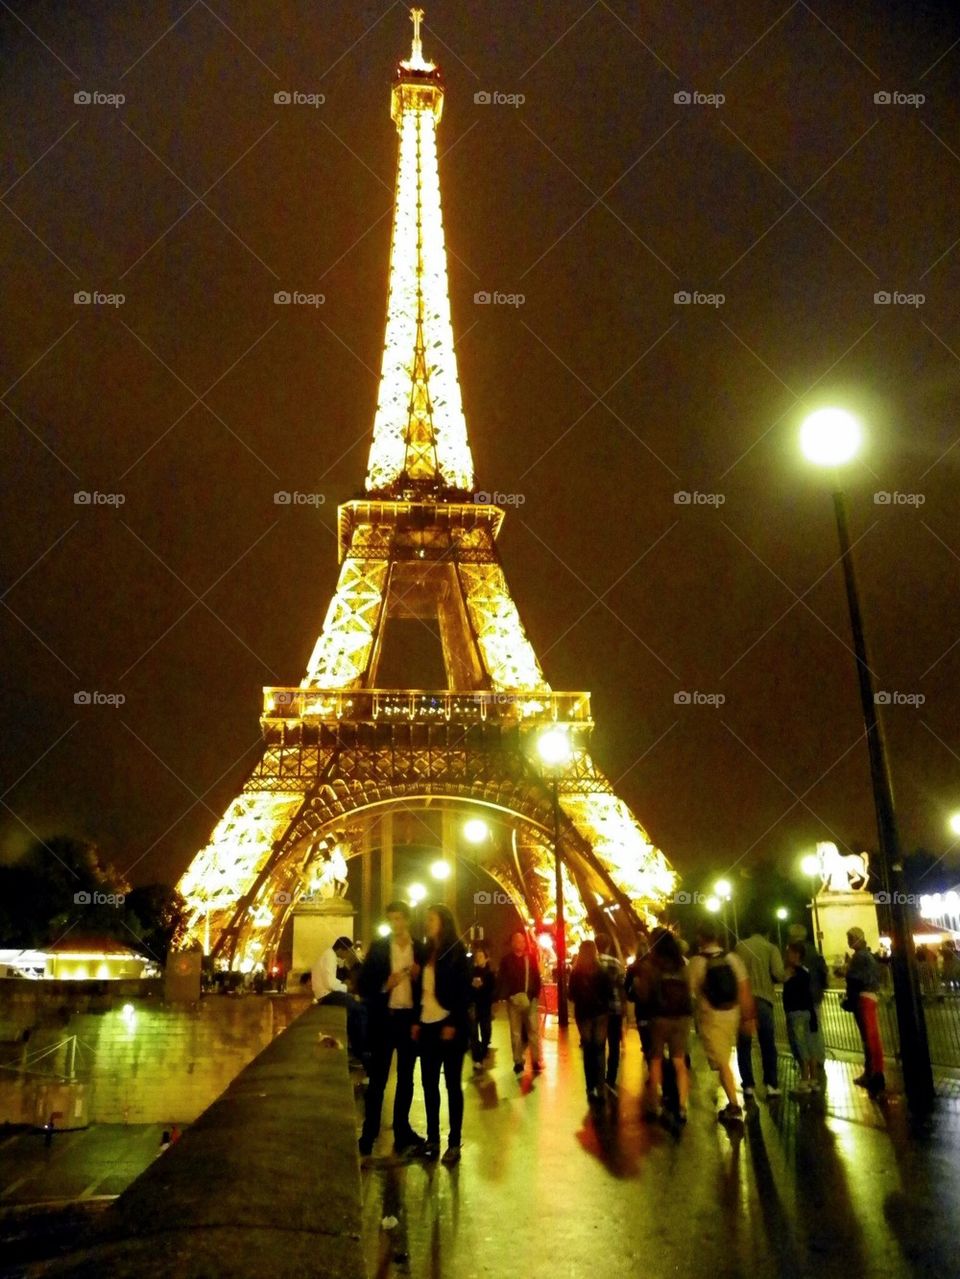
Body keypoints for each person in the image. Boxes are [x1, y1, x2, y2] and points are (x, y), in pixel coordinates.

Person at [357, 901, 427, 1157]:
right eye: (392, 919)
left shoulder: (420, 950)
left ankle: (402, 1129)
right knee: (378, 1081)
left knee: (406, 1080)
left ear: (407, 920)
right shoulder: (378, 949)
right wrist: (385, 984)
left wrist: (419, 977)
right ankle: (369, 1132)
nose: (396, 924)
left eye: (399, 919)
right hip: (384, 1020)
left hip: (409, 1020)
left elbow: (429, 990)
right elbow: (363, 985)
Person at [414, 904, 471, 1164]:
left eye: (431, 919)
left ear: (444, 922)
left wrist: (454, 1022)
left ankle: (454, 1142)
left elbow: (463, 992)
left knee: (451, 1085)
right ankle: (433, 1138)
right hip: (427, 1025)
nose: (427, 922)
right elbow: (420, 990)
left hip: (449, 1025)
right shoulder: (426, 951)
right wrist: (417, 1019)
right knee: (428, 1084)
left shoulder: (457, 951)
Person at [688, 921, 756, 1122]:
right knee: (723, 1059)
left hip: (711, 1016)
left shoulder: (697, 962)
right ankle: (733, 1100)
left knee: (722, 1062)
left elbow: (689, 992)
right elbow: (744, 989)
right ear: (717, 937)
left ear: (700, 938)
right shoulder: (732, 958)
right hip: (732, 1013)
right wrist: (748, 1016)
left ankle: (734, 1105)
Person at [646, 928, 693, 1123]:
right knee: (679, 1062)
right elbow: (689, 989)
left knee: (656, 1060)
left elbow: (644, 991)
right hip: (681, 1017)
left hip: (659, 1016)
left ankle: (655, 1105)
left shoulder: (653, 964)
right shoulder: (682, 964)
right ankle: (682, 1106)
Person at [735, 922, 784, 1098]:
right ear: (768, 932)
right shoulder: (771, 948)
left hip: (743, 1000)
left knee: (744, 1045)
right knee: (768, 1044)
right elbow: (778, 974)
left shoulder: (739, 947)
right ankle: (771, 1084)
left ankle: (748, 1084)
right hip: (764, 999)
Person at [569, 940, 613, 1103]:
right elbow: (609, 992)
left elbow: (571, 995)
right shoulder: (602, 971)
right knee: (600, 1049)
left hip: (584, 1013)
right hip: (601, 1014)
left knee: (588, 1050)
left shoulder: (576, 972)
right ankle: (601, 1087)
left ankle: (590, 1086)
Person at [841, 926, 884, 1095]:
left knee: (869, 1038)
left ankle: (875, 1074)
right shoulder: (868, 955)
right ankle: (872, 1072)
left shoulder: (859, 957)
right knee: (870, 1037)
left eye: (850, 939)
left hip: (863, 998)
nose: (849, 942)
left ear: (857, 938)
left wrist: (845, 973)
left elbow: (855, 978)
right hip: (870, 996)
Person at [312, 935, 366, 1062]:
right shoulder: (330, 957)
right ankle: (360, 1051)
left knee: (354, 1010)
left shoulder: (328, 955)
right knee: (361, 1010)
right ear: (342, 949)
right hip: (327, 995)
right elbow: (330, 983)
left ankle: (356, 1049)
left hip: (324, 994)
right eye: (348, 952)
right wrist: (345, 987)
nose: (347, 956)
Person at [497, 930, 543, 1075]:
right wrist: (509, 996)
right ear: (512, 943)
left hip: (530, 999)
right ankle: (518, 1061)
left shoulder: (531, 958)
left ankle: (535, 1059)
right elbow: (502, 979)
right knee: (515, 1033)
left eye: (522, 941)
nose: (520, 943)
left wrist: (533, 995)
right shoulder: (506, 960)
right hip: (513, 1001)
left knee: (533, 1030)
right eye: (517, 941)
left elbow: (536, 977)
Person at [626, 938, 659, 1114]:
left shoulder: (633, 968)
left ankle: (652, 1070)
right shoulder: (656, 966)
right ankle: (658, 1069)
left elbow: (627, 990)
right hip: (656, 1009)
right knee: (656, 1041)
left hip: (642, 1010)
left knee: (646, 1042)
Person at [789, 923, 827, 1073]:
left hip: (800, 998)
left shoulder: (795, 952)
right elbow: (823, 972)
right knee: (815, 1030)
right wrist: (820, 988)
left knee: (799, 1035)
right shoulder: (815, 952)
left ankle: (805, 1067)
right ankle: (819, 1060)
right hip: (815, 995)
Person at [783, 941, 818, 1091]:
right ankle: (814, 1079)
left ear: (796, 954)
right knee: (809, 1046)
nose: (786, 955)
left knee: (799, 1046)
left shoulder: (793, 972)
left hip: (795, 1012)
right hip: (807, 1012)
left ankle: (804, 1079)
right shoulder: (805, 971)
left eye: (789, 952)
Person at [595, 932, 626, 1092]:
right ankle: (611, 1078)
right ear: (608, 946)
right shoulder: (615, 963)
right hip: (614, 1008)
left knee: (598, 1044)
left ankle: (597, 1077)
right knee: (614, 1045)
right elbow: (622, 984)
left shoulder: (590, 962)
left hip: (596, 1009)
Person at [468, 942, 496, 1071]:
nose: (478, 959)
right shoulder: (471, 973)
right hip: (473, 1006)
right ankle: (477, 1059)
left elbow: (493, 990)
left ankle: (483, 1052)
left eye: (481, 956)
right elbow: (466, 988)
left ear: (486, 958)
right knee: (473, 1034)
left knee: (486, 1032)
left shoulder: (490, 974)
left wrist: (483, 986)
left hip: (485, 1007)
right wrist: (472, 986)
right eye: (477, 956)